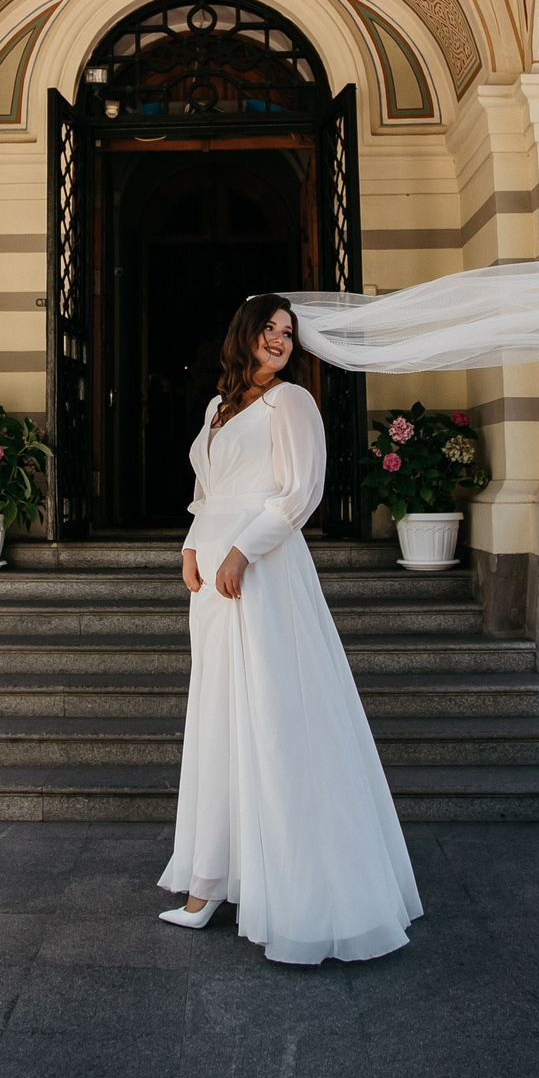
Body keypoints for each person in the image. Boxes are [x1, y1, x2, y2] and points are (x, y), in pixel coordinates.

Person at [157, 294, 424, 963]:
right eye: (269, 329)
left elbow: (301, 490)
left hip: (262, 570)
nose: (279, 340)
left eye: (287, 333)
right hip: (212, 580)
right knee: (217, 718)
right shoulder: (219, 408)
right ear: (244, 333)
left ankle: (301, 890)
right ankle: (207, 882)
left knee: (273, 717)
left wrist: (243, 550)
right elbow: (210, 489)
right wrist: (194, 544)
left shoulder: (291, 402)